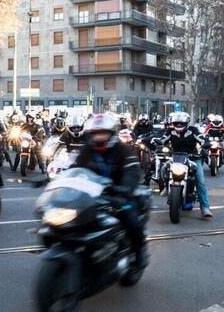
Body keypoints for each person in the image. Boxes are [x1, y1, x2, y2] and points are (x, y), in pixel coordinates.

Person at [72, 113, 147, 271]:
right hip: (92, 194)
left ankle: (140, 254)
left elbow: (133, 172)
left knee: (131, 220)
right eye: (96, 133)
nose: (99, 137)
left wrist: (125, 189)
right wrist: (58, 180)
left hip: (120, 195)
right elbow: (75, 169)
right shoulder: (87, 150)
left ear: (111, 133)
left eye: (103, 132)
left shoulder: (123, 150)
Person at [160, 112, 212, 218]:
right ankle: (166, 186)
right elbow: (163, 139)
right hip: (175, 158)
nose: (179, 125)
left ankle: (205, 208)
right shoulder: (170, 131)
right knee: (164, 168)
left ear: (187, 122)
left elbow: (201, 138)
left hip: (192, 158)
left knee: (200, 181)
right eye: (176, 123)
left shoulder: (193, 130)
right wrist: (157, 142)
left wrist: (205, 142)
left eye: (181, 123)